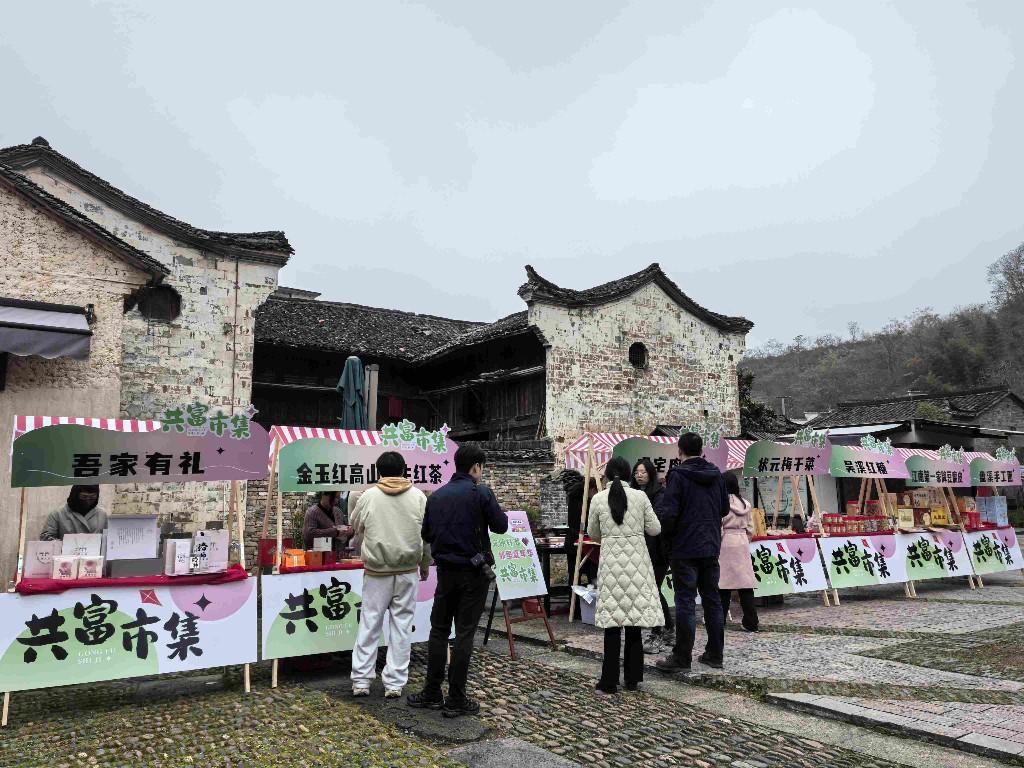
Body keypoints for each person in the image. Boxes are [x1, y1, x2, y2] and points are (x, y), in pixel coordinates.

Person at [408, 445, 508, 717]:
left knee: (439, 630)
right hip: (474, 574)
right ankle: (455, 698)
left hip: (446, 572)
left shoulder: (437, 496)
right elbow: (501, 526)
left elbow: (426, 534)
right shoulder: (481, 493)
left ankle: (431, 692)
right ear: (476, 466)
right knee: (464, 634)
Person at [350, 451, 432, 698]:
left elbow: (355, 525)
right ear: (404, 470)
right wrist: (425, 564)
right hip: (407, 571)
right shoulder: (418, 497)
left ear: (379, 472)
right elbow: (426, 536)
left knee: (370, 623)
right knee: (402, 626)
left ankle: (361, 680)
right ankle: (395, 683)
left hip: (376, 572)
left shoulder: (368, 496)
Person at [587, 456, 663, 693]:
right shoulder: (640, 497)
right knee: (634, 623)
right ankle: (632, 678)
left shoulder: (598, 499)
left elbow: (593, 533)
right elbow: (655, 528)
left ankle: (608, 680)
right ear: (630, 474)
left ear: (607, 475)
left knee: (612, 624)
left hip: (610, 566)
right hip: (638, 565)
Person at [655, 432, 729, 672]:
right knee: (712, 600)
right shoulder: (716, 474)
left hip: (684, 547)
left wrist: (667, 541)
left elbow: (668, 514)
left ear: (680, 451)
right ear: (701, 450)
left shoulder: (677, 476)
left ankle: (682, 657)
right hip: (710, 545)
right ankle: (715, 654)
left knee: (685, 601)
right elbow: (724, 508)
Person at [631, 458, 672, 653]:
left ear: (651, 473)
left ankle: (659, 631)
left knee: (653, 590)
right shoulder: (632, 493)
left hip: (657, 551)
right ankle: (667, 628)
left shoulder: (659, 493)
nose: (639, 475)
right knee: (650, 590)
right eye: (637, 472)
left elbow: (656, 522)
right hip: (638, 550)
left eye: (643, 472)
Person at [719, 473, 759, 633]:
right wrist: (743, 539)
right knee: (745, 585)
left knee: (723, 585)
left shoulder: (721, 503)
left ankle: (719, 621)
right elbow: (750, 529)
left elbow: (718, 527)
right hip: (741, 542)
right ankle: (751, 622)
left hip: (726, 542)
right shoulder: (746, 504)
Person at [561, 469, 598, 618]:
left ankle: (576, 609)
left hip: (574, 542)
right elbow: (583, 523)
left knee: (575, 577)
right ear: (591, 489)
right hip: (582, 542)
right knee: (590, 576)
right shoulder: (583, 500)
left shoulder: (572, 496)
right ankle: (588, 610)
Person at [40, 485, 107, 540]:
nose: (88, 500)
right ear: (75, 495)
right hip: (66, 552)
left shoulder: (102, 514)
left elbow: (108, 539)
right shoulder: (57, 514)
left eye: (92, 497)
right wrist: (66, 545)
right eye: (84, 497)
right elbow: (45, 538)